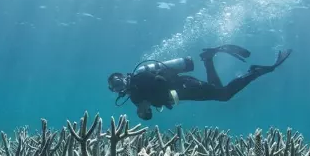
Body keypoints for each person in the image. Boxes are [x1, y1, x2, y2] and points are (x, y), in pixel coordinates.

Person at [107, 44, 292, 121]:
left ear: (124, 77)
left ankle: (255, 72)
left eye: (118, 83)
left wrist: (154, 91)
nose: (119, 88)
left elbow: (161, 80)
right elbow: (147, 115)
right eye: (115, 88)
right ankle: (208, 58)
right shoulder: (135, 97)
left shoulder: (140, 78)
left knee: (224, 95)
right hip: (184, 92)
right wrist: (143, 112)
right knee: (220, 92)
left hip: (186, 87)